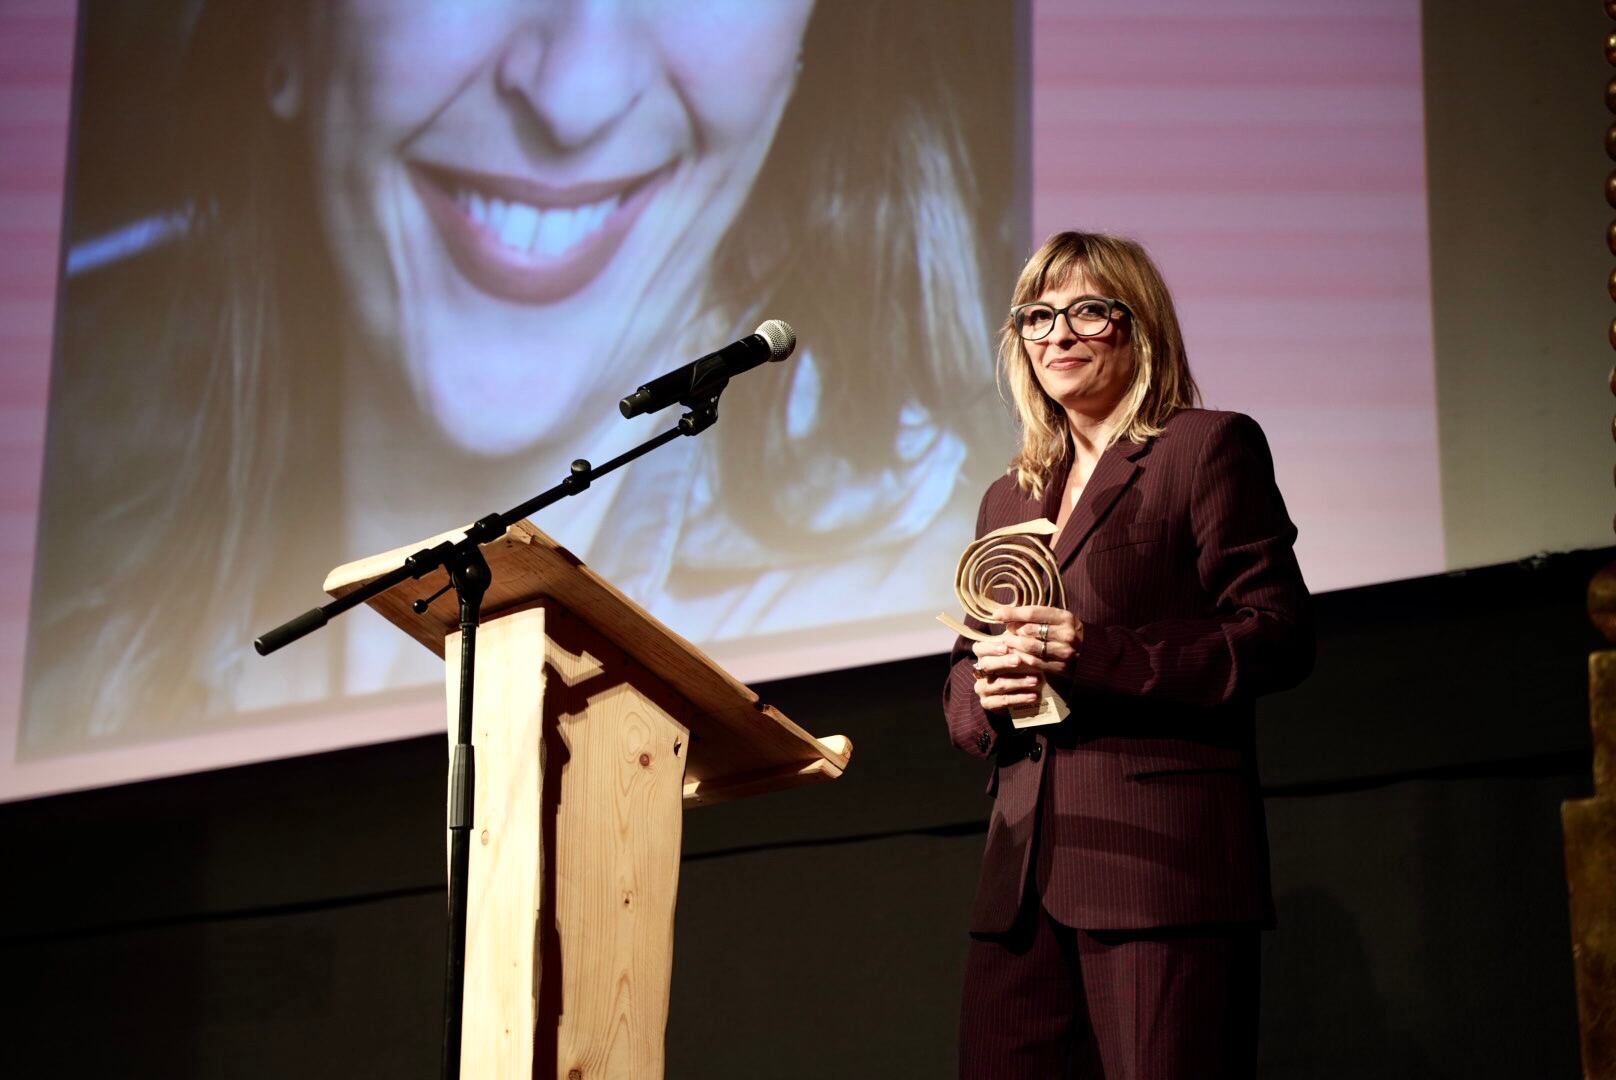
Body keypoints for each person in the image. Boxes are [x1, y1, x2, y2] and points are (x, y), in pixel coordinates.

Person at [21, 0, 1017, 754]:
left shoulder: (953, 587)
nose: (572, 96)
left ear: (802, 58)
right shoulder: (76, 681)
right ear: (293, 31)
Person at [944, 231, 1314, 1077]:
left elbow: (1275, 634)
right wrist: (984, 696)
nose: (1057, 335)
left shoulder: (1205, 448)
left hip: (1159, 869)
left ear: (1137, 326)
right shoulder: (1010, 495)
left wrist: (1097, 653)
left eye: (1086, 311)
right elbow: (967, 673)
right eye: (1036, 316)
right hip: (1020, 882)